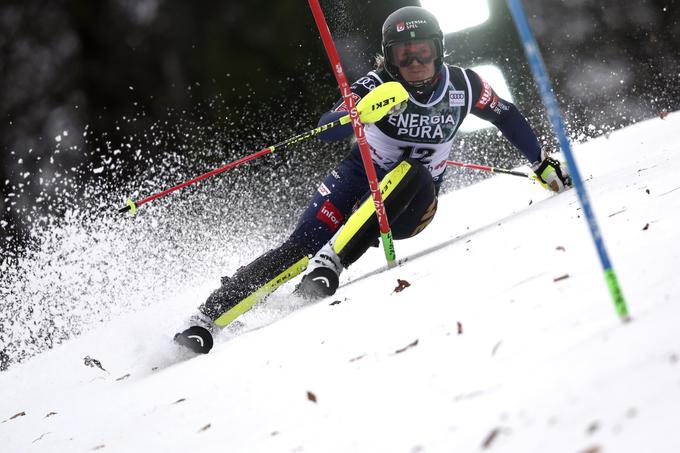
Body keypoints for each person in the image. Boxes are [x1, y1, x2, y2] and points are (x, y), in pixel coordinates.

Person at [174, 6, 572, 353]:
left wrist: (540, 163)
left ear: (439, 50)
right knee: (299, 246)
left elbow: (505, 113)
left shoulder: (464, 85)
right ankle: (206, 319)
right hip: (358, 179)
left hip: (411, 206)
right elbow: (327, 128)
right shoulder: (375, 85)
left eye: (424, 52)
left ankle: (332, 262)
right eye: (404, 55)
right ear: (389, 59)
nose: (415, 63)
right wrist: (355, 112)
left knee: (411, 172)